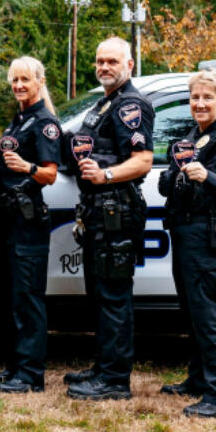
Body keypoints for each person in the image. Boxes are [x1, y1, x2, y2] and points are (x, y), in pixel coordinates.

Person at [157, 69, 216, 417]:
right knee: (196, 313)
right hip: (190, 237)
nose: (199, 104)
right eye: (195, 98)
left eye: (207, 98)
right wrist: (173, 176)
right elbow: (168, 182)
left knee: (213, 316)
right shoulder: (191, 138)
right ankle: (199, 380)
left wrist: (209, 176)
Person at [63, 36, 154, 401]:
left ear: (129, 65)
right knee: (100, 294)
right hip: (98, 213)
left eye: (112, 61)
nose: (104, 67)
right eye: (100, 61)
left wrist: (106, 175)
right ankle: (103, 366)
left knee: (114, 295)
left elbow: (143, 160)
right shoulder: (103, 105)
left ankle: (115, 380)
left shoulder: (131, 105)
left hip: (117, 210)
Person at [0, 57, 61, 394]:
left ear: (40, 80)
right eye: (14, 80)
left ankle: (30, 374)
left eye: (25, 79)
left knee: (28, 298)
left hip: (29, 223)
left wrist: (27, 167)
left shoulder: (45, 124)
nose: (19, 86)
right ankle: (14, 365)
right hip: (9, 220)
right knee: (11, 296)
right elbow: (7, 167)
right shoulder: (19, 121)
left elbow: (50, 174)